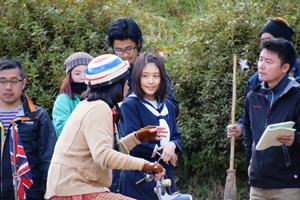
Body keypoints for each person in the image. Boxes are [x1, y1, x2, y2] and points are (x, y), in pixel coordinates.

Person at [45, 54, 167, 200]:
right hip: (74, 190)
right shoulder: (99, 108)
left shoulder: (96, 104)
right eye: (125, 81)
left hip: (73, 188)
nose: (128, 85)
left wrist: (137, 137)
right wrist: (145, 164)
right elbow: (103, 155)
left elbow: (109, 151)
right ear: (115, 84)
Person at [118, 53, 182, 200]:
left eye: (156, 76)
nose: (151, 81)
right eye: (145, 76)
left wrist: (172, 145)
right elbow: (133, 144)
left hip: (165, 174)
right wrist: (164, 153)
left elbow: (176, 135)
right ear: (137, 77)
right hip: (139, 176)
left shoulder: (168, 105)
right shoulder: (130, 105)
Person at [244, 38, 300, 199]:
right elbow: (248, 133)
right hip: (257, 186)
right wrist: (251, 162)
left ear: (285, 68)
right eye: (260, 59)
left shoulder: (297, 96)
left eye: (268, 62)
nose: (261, 66)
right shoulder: (253, 96)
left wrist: (295, 139)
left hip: (288, 186)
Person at [227, 17, 300, 138]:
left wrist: (295, 140)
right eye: (262, 40)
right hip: (263, 153)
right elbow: (251, 116)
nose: (265, 44)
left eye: (269, 39)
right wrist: (240, 128)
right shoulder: (255, 80)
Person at [0, 56, 57, 200]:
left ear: (23, 83)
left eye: (14, 81)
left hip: (30, 195)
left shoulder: (38, 116)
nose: (8, 87)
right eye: (2, 81)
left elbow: (48, 160)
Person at [106, 17, 179, 118]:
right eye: (119, 50)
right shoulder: (108, 71)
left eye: (129, 48)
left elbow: (174, 109)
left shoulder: (151, 67)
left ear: (138, 43)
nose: (125, 55)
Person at [52, 52, 93, 137]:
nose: (83, 77)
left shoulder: (99, 96)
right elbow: (61, 126)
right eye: (77, 73)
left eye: (87, 72)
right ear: (70, 76)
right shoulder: (63, 99)